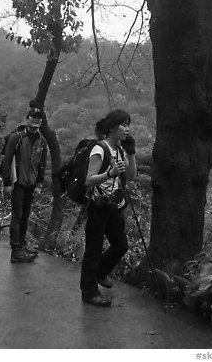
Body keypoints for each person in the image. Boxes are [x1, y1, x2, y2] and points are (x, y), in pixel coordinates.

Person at [80, 109, 137, 307]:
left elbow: (130, 176)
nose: (127, 128)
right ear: (113, 127)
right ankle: (89, 292)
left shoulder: (120, 150)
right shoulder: (100, 149)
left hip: (114, 206)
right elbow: (89, 180)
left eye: (128, 124)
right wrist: (110, 173)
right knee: (93, 250)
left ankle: (100, 273)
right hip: (98, 206)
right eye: (124, 124)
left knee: (121, 245)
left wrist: (131, 151)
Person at [2, 108, 48, 263]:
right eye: (33, 117)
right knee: (17, 216)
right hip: (18, 183)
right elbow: (7, 160)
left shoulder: (42, 141)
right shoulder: (17, 138)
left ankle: (22, 245)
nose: (36, 120)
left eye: (39, 118)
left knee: (25, 216)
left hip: (31, 184)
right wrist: (7, 183)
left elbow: (42, 164)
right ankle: (15, 250)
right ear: (27, 119)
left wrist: (39, 184)